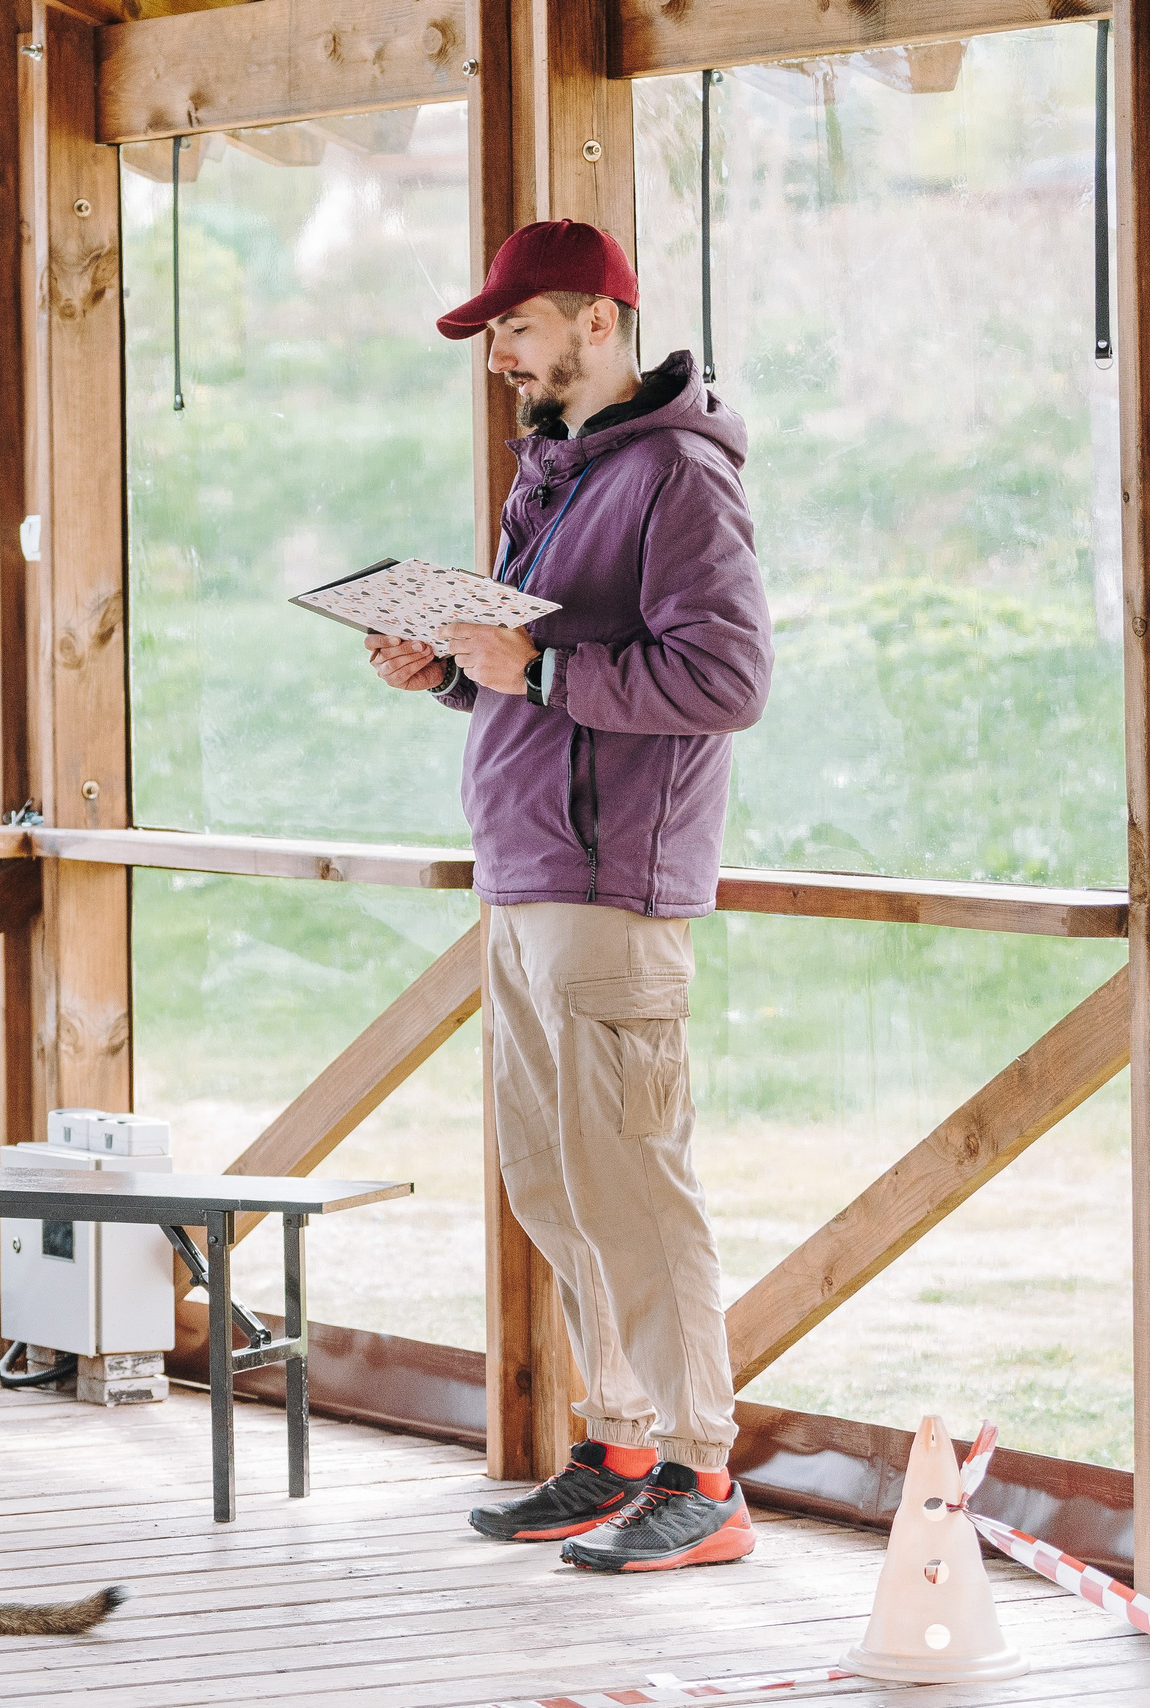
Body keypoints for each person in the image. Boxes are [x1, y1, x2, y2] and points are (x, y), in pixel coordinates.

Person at [367, 221, 773, 1572]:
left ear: (598, 323)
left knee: (638, 1191)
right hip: (528, 876)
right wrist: (449, 675)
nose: (497, 358)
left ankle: (706, 1480)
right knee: (557, 1183)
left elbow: (725, 684)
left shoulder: (677, 479)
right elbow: (544, 673)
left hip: (611, 886)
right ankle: (622, 1448)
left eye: (516, 330)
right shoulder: (555, 475)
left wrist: (528, 671)